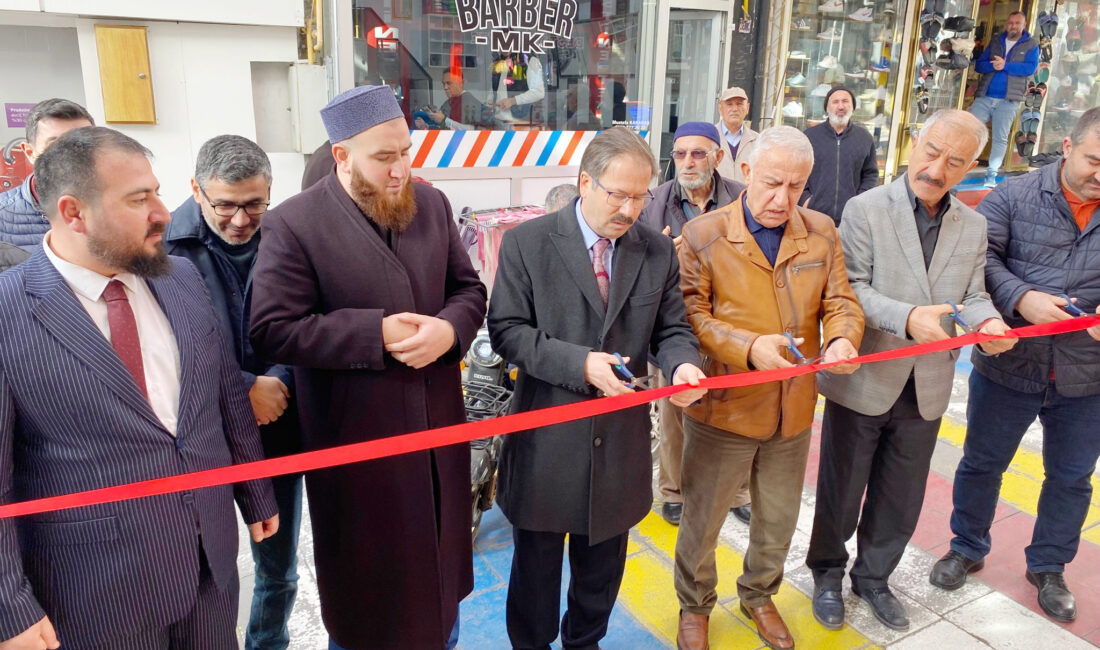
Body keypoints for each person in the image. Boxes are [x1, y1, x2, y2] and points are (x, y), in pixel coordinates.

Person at [0, 126, 278, 649]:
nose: (163, 212)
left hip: (209, 566)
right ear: (74, 212)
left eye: (155, 191)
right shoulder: (8, 313)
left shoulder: (179, 280)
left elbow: (221, 395)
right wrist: (8, 605)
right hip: (97, 590)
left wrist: (256, 490)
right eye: (138, 199)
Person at [249, 85, 486, 650]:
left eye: (405, 151)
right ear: (342, 156)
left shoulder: (431, 206)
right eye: (384, 157)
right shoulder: (295, 224)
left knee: (439, 584)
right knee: (369, 602)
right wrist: (373, 334)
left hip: (437, 433)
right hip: (357, 445)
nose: (400, 168)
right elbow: (272, 328)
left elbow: (469, 289)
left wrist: (449, 330)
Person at [487, 126, 706, 650]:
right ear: (586, 182)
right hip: (547, 443)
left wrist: (681, 366)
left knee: (600, 578)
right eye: (619, 194)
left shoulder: (655, 252)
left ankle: (584, 642)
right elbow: (507, 331)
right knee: (535, 579)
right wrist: (581, 364)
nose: (631, 209)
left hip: (618, 447)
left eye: (641, 196)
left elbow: (672, 329)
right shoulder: (529, 243)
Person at [806, 110, 1016, 633]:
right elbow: (850, 288)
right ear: (913, 141)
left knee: (902, 493)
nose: (938, 168)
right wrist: (907, 318)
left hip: (927, 382)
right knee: (843, 486)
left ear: (970, 167)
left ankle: (874, 577)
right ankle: (828, 572)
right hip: (865, 377)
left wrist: (988, 323)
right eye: (932, 151)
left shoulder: (973, 223)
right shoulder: (865, 208)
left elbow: (971, 294)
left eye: (956, 161)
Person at [673, 126, 864, 650]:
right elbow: (690, 317)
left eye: (796, 187)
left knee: (778, 518)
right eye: (772, 183)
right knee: (703, 519)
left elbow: (840, 301)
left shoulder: (822, 231)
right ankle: (695, 605)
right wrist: (747, 346)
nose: (782, 199)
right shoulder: (704, 235)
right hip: (725, 408)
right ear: (746, 173)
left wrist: (844, 339)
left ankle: (758, 595)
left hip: (794, 408)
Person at [929, 106, 1100, 624]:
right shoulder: (1012, 197)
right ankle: (966, 545)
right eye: (1095, 159)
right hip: (1011, 364)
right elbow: (980, 261)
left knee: (1071, 477)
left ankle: (1049, 565)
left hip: (1087, 373)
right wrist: (1022, 298)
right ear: (1068, 147)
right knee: (982, 461)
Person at [164, 135, 303, 650]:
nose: (241, 220)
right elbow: (159, 343)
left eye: (254, 204)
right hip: (200, 436)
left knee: (278, 567)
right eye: (225, 205)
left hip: (279, 426)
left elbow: (309, 317)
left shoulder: (290, 237)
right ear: (196, 191)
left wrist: (279, 382)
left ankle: (268, 644)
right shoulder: (161, 247)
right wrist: (243, 389)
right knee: (203, 570)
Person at [638, 121, 749, 527]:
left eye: (698, 153)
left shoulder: (742, 198)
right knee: (674, 414)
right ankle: (673, 491)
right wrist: (661, 255)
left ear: (718, 157)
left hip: (732, 323)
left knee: (736, 411)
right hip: (672, 326)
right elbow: (628, 262)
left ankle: (739, 491)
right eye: (680, 154)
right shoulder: (653, 202)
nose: (687, 162)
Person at [0, 98, 93, 250]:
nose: (72, 154)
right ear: (29, 152)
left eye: (83, 143)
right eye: (55, 144)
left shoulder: (120, 205)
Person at [969, 11, 1039, 188]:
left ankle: (991, 174)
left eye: (1017, 23)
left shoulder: (1031, 44)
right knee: (968, 130)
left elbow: (1030, 69)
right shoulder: (996, 41)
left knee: (1000, 138)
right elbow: (979, 65)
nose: (1012, 26)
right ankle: (962, 165)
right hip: (985, 96)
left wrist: (1005, 65)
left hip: (1009, 100)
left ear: (1024, 25)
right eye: (1010, 23)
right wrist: (995, 65)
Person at [802, 87, 878, 225]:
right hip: (813, 217)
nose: (841, 106)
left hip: (852, 219)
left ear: (853, 107)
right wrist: (806, 200)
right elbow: (798, 171)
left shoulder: (864, 138)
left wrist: (860, 201)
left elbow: (870, 175)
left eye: (845, 101)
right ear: (827, 108)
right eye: (835, 102)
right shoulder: (810, 136)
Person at [714, 86, 759, 185]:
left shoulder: (758, 141)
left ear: (747, 108)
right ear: (720, 109)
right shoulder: (709, 138)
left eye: (739, 104)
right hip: (717, 199)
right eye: (729, 104)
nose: (734, 109)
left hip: (746, 199)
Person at [416, 71, 489, 130]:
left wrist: (444, 120)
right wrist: (426, 126)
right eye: (443, 84)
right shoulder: (448, 104)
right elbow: (443, 129)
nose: (445, 87)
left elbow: (473, 131)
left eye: (449, 83)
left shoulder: (469, 102)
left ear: (461, 83)